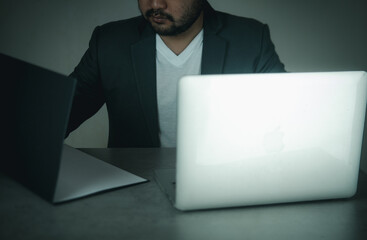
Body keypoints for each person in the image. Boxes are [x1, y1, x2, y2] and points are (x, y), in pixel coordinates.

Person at [66, 0, 285, 148]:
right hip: (134, 188)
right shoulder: (109, 42)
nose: (155, 4)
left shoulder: (251, 39)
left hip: (225, 180)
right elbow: (60, 114)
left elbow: (285, 120)